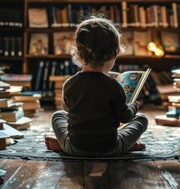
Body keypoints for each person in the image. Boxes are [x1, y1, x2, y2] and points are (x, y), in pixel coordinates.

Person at [44, 16, 148, 157]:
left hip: (75, 148)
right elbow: (125, 117)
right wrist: (134, 106)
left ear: (79, 53)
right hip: (109, 149)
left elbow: (69, 112)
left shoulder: (69, 84)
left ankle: (63, 144)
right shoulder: (113, 86)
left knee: (58, 115)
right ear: (111, 55)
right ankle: (126, 145)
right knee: (142, 119)